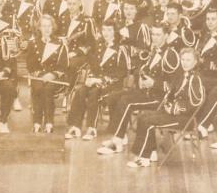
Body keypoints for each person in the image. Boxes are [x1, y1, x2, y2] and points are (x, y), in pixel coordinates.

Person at [97, 23, 178, 155]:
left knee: (126, 101)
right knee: (114, 97)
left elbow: (174, 85)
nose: (154, 37)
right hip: (146, 92)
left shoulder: (170, 54)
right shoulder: (154, 50)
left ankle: (116, 142)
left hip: (159, 98)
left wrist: (154, 83)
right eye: (153, 34)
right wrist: (141, 77)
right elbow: (145, 69)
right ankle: (121, 135)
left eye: (158, 35)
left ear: (166, 36)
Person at [127, 47, 206, 168]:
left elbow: (195, 104)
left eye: (188, 60)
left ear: (195, 62)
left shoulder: (196, 79)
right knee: (143, 116)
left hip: (185, 119)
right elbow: (172, 93)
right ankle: (150, 152)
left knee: (148, 122)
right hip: (173, 114)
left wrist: (175, 108)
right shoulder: (181, 75)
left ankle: (144, 158)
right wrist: (168, 103)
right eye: (183, 59)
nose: (184, 63)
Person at [66, 23, 129, 141]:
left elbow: (122, 72)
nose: (106, 33)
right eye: (104, 30)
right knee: (81, 90)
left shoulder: (121, 49)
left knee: (94, 93)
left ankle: (91, 128)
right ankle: (76, 126)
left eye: (109, 30)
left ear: (115, 32)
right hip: (96, 80)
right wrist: (90, 78)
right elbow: (91, 65)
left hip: (113, 85)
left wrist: (101, 80)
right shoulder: (98, 46)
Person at [26, 15, 68, 134]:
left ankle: (49, 122)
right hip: (38, 76)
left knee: (48, 89)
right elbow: (30, 64)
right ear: (39, 28)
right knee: (38, 87)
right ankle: (37, 122)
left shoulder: (60, 43)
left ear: (53, 27)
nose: (47, 29)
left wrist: (52, 75)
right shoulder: (33, 43)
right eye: (44, 26)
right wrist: (40, 75)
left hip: (55, 78)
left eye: (49, 26)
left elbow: (63, 64)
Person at [61, 0, 97, 87]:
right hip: (64, 52)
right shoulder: (63, 18)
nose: (71, 7)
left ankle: (69, 89)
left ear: (80, 3)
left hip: (80, 55)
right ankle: (57, 87)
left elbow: (92, 44)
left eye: (74, 4)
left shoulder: (87, 20)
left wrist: (76, 52)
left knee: (71, 64)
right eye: (69, 4)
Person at [118, 0, 151, 72]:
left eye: (131, 8)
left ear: (136, 10)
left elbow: (144, 51)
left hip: (133, 65)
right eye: (126, 8)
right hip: (117, 63)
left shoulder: (141, 27)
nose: (128, 11)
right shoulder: (118, 25)